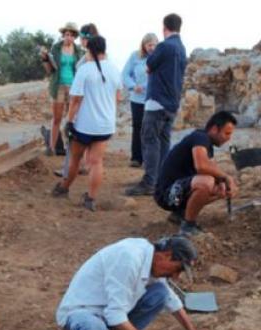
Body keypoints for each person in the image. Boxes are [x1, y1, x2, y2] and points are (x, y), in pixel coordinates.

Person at [56, 236, 214, 330]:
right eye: (177, 269)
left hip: (108, 311)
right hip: (83, 312)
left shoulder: (151, 258)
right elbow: (115, 315)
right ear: (167, 255)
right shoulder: (129, 259)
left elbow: (170, 299)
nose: (176, 276)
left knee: (161, 293)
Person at [51, 36, 121, 211]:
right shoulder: (114, 69)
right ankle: (90, 199)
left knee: (75, 159)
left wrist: (69, 121)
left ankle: (64, 188)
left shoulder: (85, 70)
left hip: (85, 125)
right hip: (105, 125)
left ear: (89, 50)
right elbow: (117, 97)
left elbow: (75, 100)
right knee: (96, 162)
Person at [126, 13, 187, 196]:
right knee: (163, 141)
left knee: (149, 139)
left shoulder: (164, 46)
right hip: (172, 103)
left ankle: (149, 182)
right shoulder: (182, 48)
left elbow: (148, 66)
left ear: (164, 28)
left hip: (157, 101)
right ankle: (161, 179)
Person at [155, 111, 239, 236]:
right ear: (215, 129)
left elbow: (210, 169)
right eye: (226, 133)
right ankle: (188, 225)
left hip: (176, 194)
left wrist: (223, 182)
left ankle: (180, 214)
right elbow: (202, 167)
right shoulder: (200, 137)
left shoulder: (207, 144)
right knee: (206, 182)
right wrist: (227, 177)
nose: (228, 138)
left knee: (221, 188)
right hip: (166, 195)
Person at [56, 23, 100, 178]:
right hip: (90, 102)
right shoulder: (94, 56)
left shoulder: (89, 58)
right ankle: (82, 165)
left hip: (82, 101)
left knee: (69, 131)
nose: (80, 41)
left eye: (81, 38)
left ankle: (70, 168)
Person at [40, 22, 84, 156]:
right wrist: (45, 60)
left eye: (71, 35)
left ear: (75, 37)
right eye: (66, 34)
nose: (68, 37)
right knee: (57, 117)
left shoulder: (78, 51)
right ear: (63, 35)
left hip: (73, 87)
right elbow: (49, 70)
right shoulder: (56, 48)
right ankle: (51, 147)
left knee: (72, 118)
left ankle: (70, 148)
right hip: (59, 85)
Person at [122, 33, 159, 168]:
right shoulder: (135, 57)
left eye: (154, 45)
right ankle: (136, 158)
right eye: (149, 45)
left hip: (153, 99)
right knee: (138, 127)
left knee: (150, 129)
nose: (152, 48)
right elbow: (125, 74)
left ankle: (150, 159)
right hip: (137, 99)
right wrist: (132, 86)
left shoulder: (159, 57)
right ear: (144, 45)